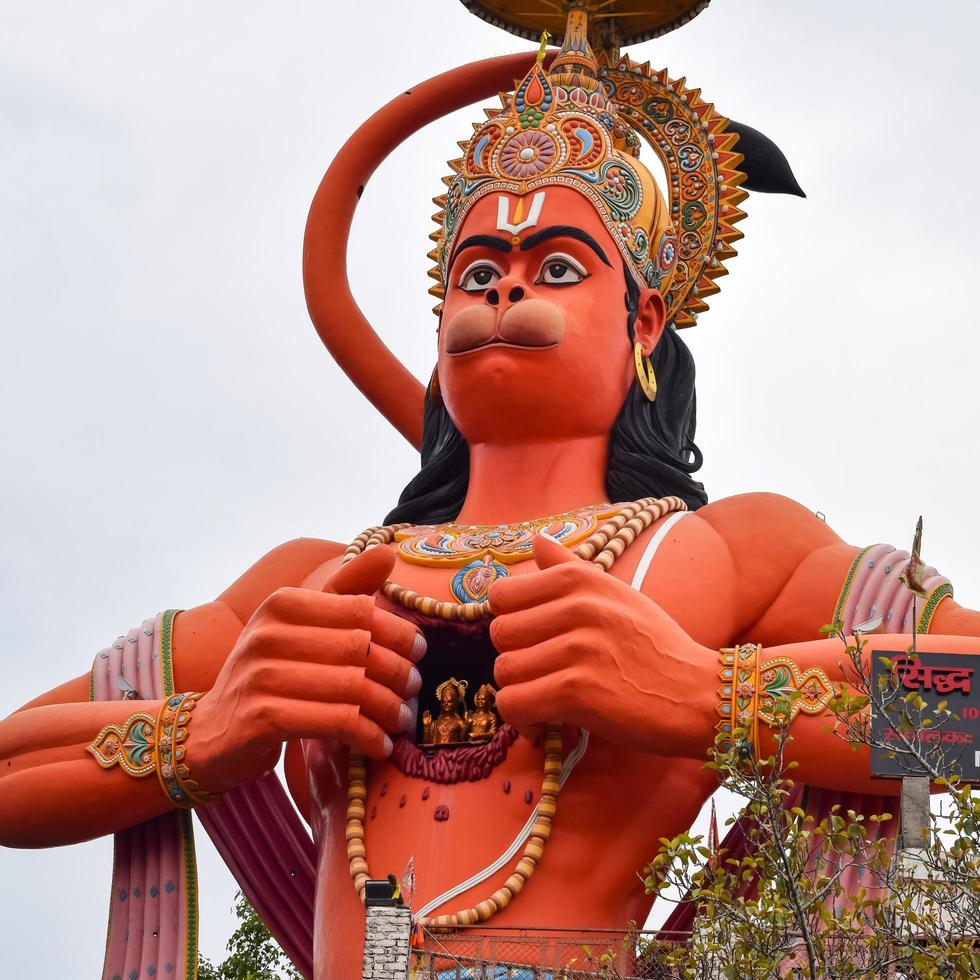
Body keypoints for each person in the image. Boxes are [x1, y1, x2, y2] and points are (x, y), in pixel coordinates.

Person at [3, 7, 980, 979]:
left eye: (553, 265)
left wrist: (698, 694)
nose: (503, 294)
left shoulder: (718, 556)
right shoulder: (321, 584)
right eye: (476, 273)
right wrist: (210, 726)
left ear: (643, 322)